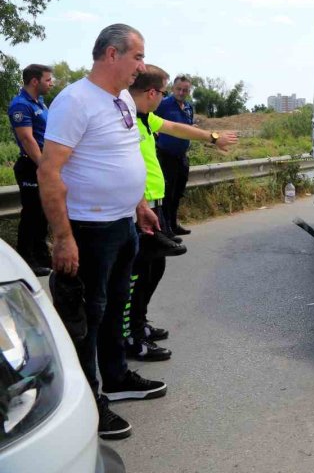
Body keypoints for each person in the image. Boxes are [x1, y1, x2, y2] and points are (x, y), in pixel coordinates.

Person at [39, 23, 167, 440]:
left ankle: (115, 376)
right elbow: (50, 171)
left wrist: (140, 206)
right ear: (112, 55)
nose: (141, 66)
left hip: (123, 225)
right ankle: (90, 403)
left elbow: (123, 157)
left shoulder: (124, 102)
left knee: (115, 307)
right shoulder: (75, 101)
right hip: (88, 230)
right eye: (137, 56)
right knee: (85, 319)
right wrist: (63, 238)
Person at [125, 65, 237, 361]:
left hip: (154, 204)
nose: (163, 98)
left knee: (155, 267)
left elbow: (176, 128)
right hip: (140, 206)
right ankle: (130, 335)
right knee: (137, 272)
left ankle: (139, 323)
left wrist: (213, 137)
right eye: (163, 92)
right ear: (152, 92)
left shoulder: (144, 117)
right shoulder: (123, 120)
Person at [7, 63, 53, 275]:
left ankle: (42, 256)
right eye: (48, 80)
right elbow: (27, 139)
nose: (51, 83)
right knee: (32, 214)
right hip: (31, 165)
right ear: (35, 81)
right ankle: (28, 261)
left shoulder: (41, 103)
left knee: (43, 215)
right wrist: (44, 166)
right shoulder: (20, 105)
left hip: (44, 163)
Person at [155, 74, 194, 235]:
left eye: (185, 90)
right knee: (167, 194)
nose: (181, 92)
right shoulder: (163, 104)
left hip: (182, 156)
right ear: (173, 88)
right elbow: (150, 121)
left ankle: (173, 224)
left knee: (178, 192)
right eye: (179, 89)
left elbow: (189, 128)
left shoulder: (189, 107)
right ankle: (166, 229)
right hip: (166, 155)